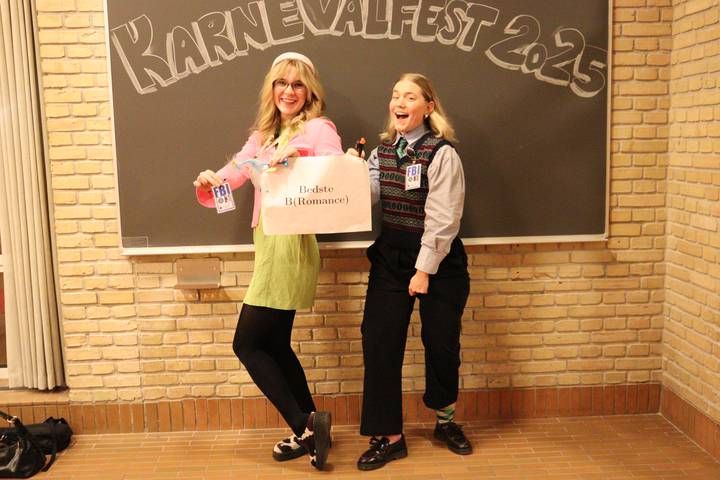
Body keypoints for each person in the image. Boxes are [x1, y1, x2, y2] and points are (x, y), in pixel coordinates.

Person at [193, 52, 343, 470]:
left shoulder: (318, 129)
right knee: (274, 344)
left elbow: (336, 170)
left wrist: (298, 159)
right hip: (268, 242)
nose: (288, 91)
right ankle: (313, 426)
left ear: (309, 91)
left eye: (297, 84)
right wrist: (211, 181)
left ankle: (304, 427)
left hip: (290, 244)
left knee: (246, 343)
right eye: (281, 83)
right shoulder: (263, 136)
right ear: (271, 88)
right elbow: (235, 173)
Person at [347, 73, 472, 470]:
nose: (399, 103)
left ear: (428, 107)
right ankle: (390, 437)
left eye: (410, 96)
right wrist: (349, 173)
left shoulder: (442, 153)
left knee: (441, 343)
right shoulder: (381, 152)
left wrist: (424, 270)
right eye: (395, 95)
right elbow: (367, 197)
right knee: (379, 342)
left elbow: (444, 218)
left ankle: (445, 421)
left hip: (439, 262)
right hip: (391, 258)